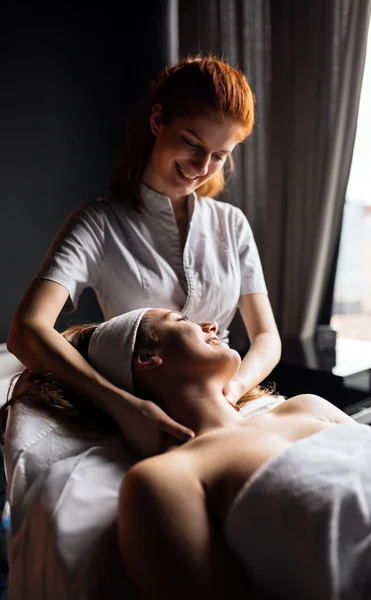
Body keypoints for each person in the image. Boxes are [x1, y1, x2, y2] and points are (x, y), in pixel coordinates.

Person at [5, 309, 371, 599]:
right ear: (146, 359)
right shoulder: (169, 478)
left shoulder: (307, 406)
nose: (210, 324)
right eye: (181, 321)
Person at [6, 55, 281, 457]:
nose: (202, 167)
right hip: (145, 414)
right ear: (157, 121)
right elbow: (26, 331)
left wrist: (231, 391)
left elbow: (266, 336)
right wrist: (122, 405)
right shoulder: (98, 223)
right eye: (191, 143)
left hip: (230, 402)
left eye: (219, 155)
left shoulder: (231, 224)